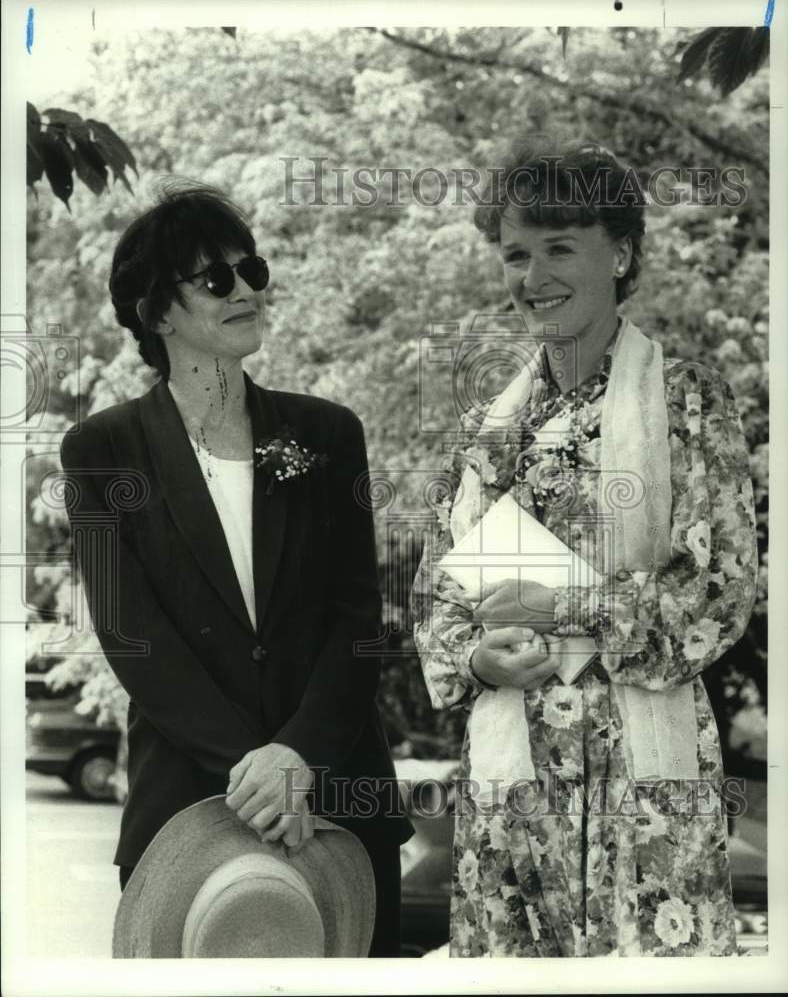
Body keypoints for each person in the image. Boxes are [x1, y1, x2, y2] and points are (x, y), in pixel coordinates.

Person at [411, 135, 758, 956]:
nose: (533, 276)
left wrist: (568, 606)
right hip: (511, 796)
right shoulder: (485, 434)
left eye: (560, 247)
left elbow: (721, 591)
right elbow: (434, 599)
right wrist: (475, 658)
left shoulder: (687, 402)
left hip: (646, 797)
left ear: (622, 253)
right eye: (516, 254)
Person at [59, 183, 412, 957]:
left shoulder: (328, 433)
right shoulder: (101, 451)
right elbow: (133, 637)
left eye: (252, 269)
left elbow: (358, 621)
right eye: (217, 278)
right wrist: (256, 777)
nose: (246, 290)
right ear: (157, 313)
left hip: (340, 796)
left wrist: (300, 759)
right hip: (188, 807)